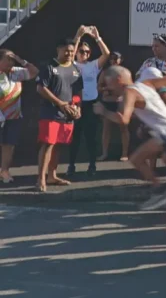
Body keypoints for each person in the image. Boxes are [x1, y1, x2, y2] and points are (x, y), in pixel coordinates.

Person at [94, 66, 166, 210]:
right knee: (136, 159)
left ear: (118, 80)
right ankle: (160, 190)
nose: (107, 89)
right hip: (164, 134)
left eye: (108, 85)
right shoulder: (144, 84)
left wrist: (104, 111)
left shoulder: (130, 92)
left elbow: (124, 119)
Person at [36, 37, 84, 192]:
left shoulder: (75, 69)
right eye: (66, 51)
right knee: (48, 144)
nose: (69, 54)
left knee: (58, 146)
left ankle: (52, 176)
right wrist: (60, 103)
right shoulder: (49, 67)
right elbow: (41, 88)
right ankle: (41, 178)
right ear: (58, 49)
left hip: (67, 115)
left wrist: (77, 107)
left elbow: (77, 92)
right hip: (50, 113)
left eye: (72, 51)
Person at [68, 26, 110, 177]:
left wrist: (97, 37)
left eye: (87, 52)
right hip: (76, 104)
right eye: (81, 51)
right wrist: (78, 36)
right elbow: (69, 52)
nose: (84, 54)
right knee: (75, 137)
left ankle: (92, 165)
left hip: (90, 104)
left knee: (91, 137)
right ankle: (71, 165)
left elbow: (106, 54)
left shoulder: (93, 66)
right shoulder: (72, 64)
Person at [0, 49, 38, 183]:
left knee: (9, 145)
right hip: (0, 117)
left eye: (12, 59)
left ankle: (4, 171)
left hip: (14, 116)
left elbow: (34, 72)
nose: (11, 62)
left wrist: (21, 60)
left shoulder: (15, 72)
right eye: (8, 59)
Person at [97, 51, 129, 162]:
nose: (113, 60)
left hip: (120, 103)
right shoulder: (105, 72)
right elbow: (99, 87)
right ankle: (104, 153)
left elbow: (130, 87)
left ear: (121, 60)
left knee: (123, 128)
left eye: (116, 58)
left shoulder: (124, 73)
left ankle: (124, 154)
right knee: (106, 129)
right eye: (111, 58)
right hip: (107, 103)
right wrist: (106, 89)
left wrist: (119, 91)